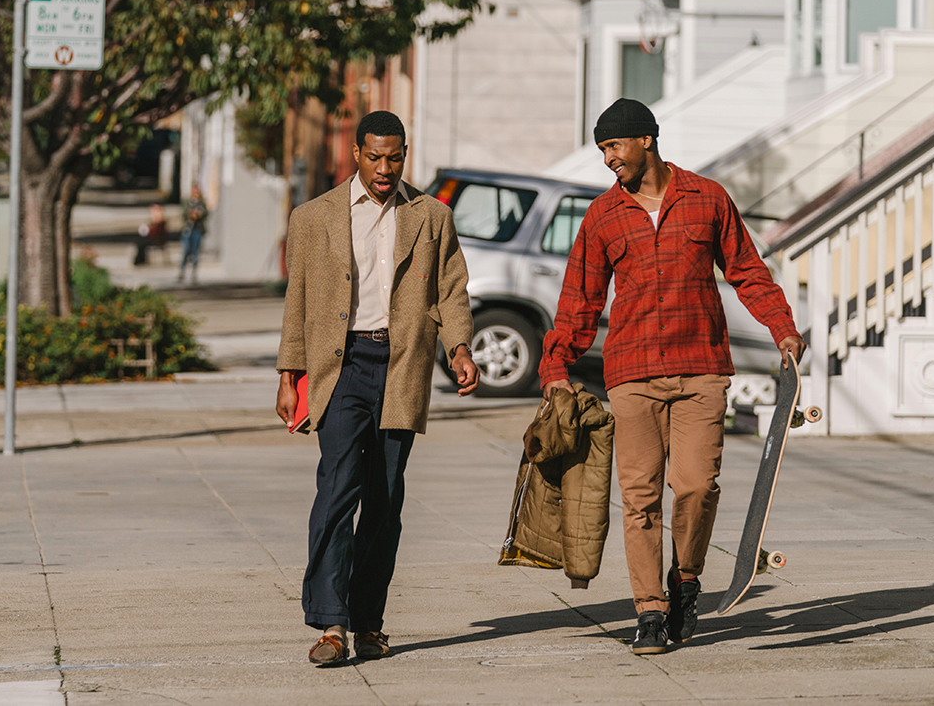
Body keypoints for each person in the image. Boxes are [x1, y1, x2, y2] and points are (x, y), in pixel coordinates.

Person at [538, 98, 806, 655]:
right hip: (631, 372)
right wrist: (556, 366)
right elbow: (579, 301)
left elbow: (748, 271)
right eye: (602, 150)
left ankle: (685, 578)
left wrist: (781, 326)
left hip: (701, 368)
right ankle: (649, 613)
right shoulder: (603, 216)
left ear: (646, 141)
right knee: (639, 497)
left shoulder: (707, 199)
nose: (608, 159)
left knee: (695, 487)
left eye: (614, 146)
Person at [275, 110, 480, 665]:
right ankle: (331, 623)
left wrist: (459, 347)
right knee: (339, 487)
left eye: (394, 157)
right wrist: (288, 374)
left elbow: (451, 287)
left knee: (385, 501)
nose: (384, 168)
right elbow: (298, 302)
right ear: (357, 154)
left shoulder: (431, 216)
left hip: (401, 366)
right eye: (374, 157)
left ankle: (369, 623)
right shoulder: (314, 217)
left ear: (404, 155)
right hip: (339, 367)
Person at [177, 186, 208, 282]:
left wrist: (199, 214)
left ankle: (194, 273)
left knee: (196, 252)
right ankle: (182, 272)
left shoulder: (201, 203)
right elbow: (183, 214)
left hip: (197, 230)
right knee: (186, 251)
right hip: (188, 229)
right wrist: (190, 214)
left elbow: (206, 214)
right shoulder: (187, 202)